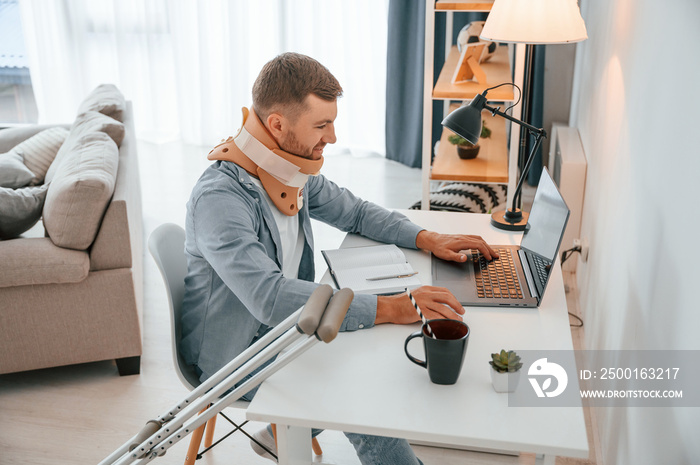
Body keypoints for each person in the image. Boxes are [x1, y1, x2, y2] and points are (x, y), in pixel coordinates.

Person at [180, 52, 498, 464]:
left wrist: (427, 236)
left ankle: (287, 432)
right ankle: (296, 429)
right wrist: (390, 307)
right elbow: (269, 298)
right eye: (321, 124)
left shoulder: (285, 168)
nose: (332, 136)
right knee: (357, 390)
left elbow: (356, 212)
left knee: (368, 352)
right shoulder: (220, 199)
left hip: (289, 328)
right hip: (237, 354)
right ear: (277, 125)